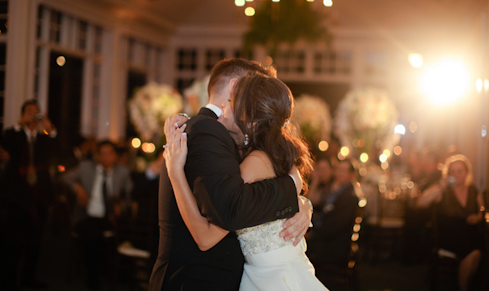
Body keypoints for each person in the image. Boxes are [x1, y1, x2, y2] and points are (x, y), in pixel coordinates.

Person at [149, 59, 312, 291]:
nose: (224, 109)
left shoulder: (241, 149)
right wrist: (294, 190)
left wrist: (300, 201)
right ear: (236, 87)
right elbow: (233, 210)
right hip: (198, 280)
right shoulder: (208, 130)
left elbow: (240, 204)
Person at [0, 99, 56, 290]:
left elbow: (54, 151)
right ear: (23, 113)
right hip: (16, 198)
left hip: (38, 198)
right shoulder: (14, 134)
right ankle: (8, 281)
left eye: (36, 112)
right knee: (12, 244)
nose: (33, 115)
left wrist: (49, 128)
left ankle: (28, 280)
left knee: (35, 244)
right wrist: (20, 123)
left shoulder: (42, 137)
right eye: (29, 111)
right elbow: (6, 147)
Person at [62, 140, 133, 289]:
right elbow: (64, 177)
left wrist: (121, 206)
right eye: (102, 154)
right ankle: (93, 280)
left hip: (108, 217)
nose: (105, 157)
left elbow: (130, 196)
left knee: (100, 235)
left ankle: (101, 275)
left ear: (115, 156)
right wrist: (77, 188)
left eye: (109, 154)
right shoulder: (85, 167)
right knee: (92, 234)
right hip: (85, 216)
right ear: (97, 156)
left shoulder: (123, 172)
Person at [416, 154, 484, 291]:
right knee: (475, 251)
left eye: (460, 171)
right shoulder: (443, 190)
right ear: (447, 174)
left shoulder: (473, 190)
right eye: (452, 172)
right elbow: (420, 203)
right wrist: (440, 187)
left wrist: (478, 217)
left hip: (470, 235)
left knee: (478, 248)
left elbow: (482, 210)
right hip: (449, 237)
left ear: (466, 173)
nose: (456, 174)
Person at [307, 159, 361, 271]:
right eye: (337, 170)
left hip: (333, 246)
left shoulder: (349, 196)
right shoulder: (341, 190)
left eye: (342, 170)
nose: (338, 173)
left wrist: (312, 234)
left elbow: (334, 226)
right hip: (331, 240)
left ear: (352, 174)